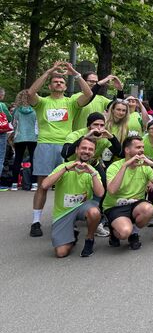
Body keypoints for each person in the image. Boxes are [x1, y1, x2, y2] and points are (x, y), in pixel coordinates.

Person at [28, 61, 93, 237]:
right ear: (49, 85)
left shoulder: (71, 102)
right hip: (45, 145)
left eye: (62, 82)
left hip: (66, 146)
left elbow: (88, 93)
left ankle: (68, 219)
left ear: (65, 87)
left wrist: (75, 74)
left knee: (69, 184)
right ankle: (36, 222)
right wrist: (48, 71)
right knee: (43, 185)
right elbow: (30, 93)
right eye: (55, 81)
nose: (58, 83)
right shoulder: (42, 102)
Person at [41, 137, 104, 258]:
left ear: (93, 153)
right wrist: (66, 169)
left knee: (94, 212)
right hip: (63, 212)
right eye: (83, 148)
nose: (86, 151)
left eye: (90, 149)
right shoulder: (63, 167)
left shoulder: (92, 171)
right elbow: (44, 185)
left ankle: (89, 239)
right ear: (76, 150)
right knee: (61, 253)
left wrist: (93, 173)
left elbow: (100, 193)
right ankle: (72, 236)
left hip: (83, 207)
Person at [104, 136, 153, 250]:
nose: (142, 150)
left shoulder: (145, 166)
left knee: (149, 209)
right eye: (138, 147)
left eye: (142, 147)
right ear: (127, 150)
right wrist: (125, 166)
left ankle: (134, 233)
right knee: (124, 232)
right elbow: (112, 190)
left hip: (135, 205)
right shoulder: (115, 166)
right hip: (115, 206)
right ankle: (115, 232)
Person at [9, 89, 37, 190]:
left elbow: (14, 124)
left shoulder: (17, 110)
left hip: (19, 137)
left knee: (17, 160)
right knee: (34, 160)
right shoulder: (35, 109)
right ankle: (34, 183)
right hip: (33, 137)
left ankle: (14, 184)